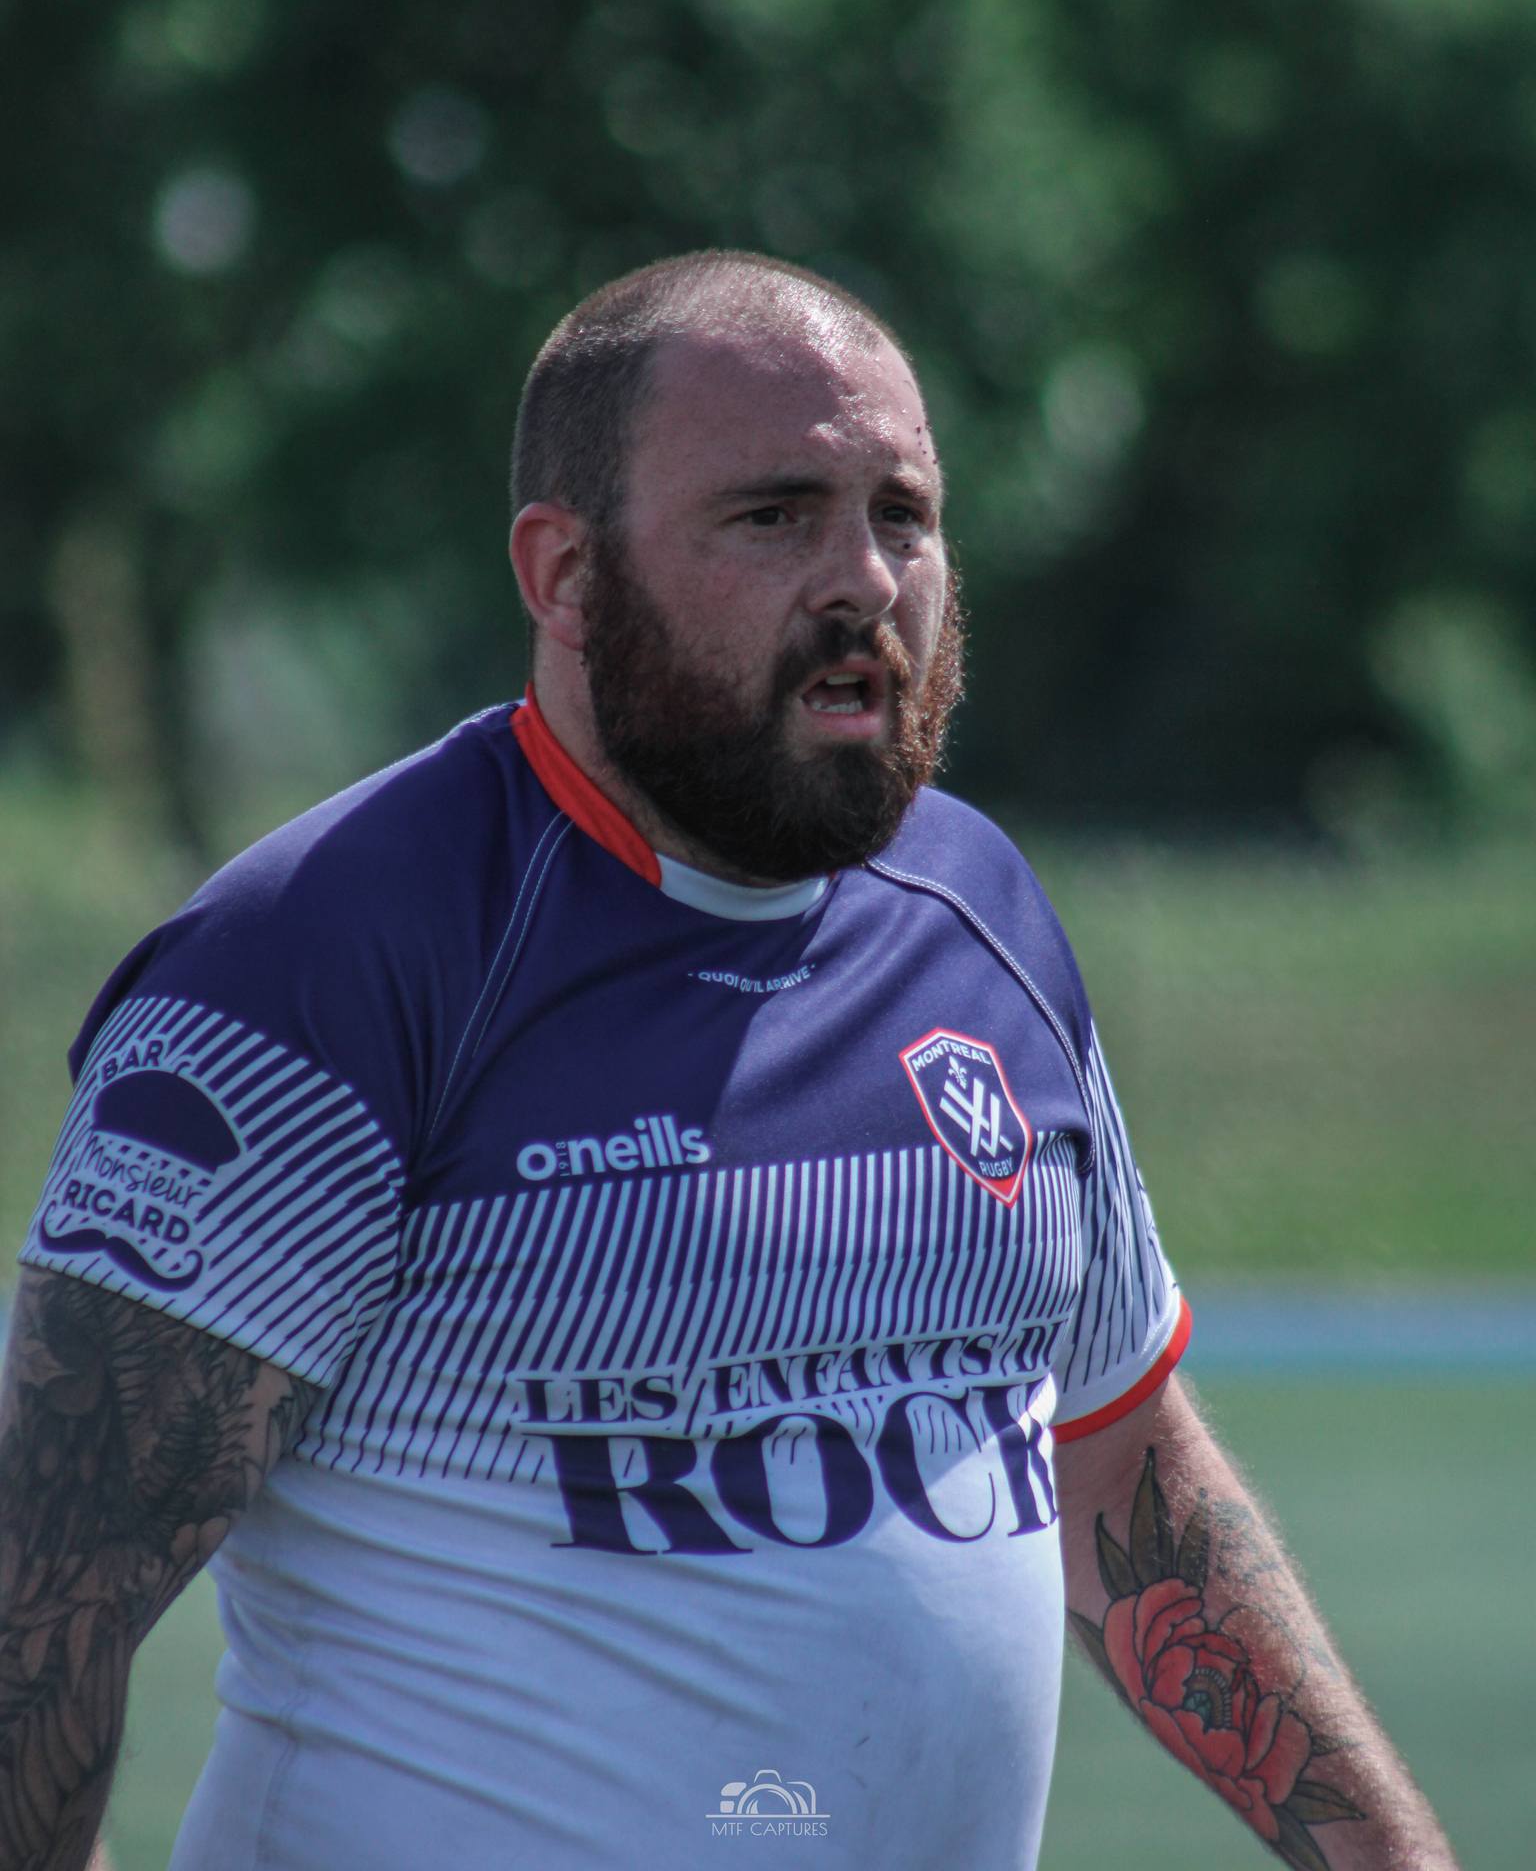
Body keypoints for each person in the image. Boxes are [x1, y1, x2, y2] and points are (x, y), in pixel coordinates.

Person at [0, 251, 1457, 1871]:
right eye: (773, 517)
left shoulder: (981, 922)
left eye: (903, 515)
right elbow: (35, 1617)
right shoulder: (323, 969)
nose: (863, 582)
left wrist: (1392, 1857)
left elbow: (1112, 1457)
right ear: (565, 575)